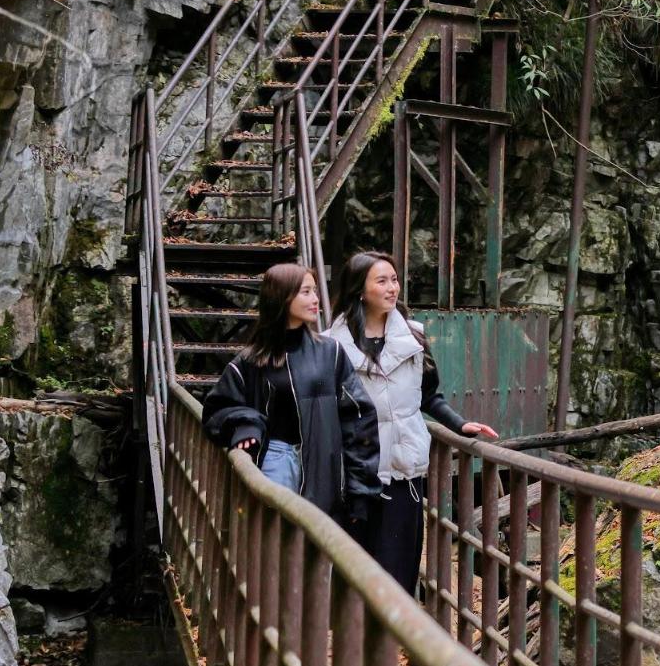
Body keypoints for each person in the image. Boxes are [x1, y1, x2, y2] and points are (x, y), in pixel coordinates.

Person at [324, 251, 498, 593]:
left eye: (394, 279)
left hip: (404, 472)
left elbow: (430, 396)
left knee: (398, 568)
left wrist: (459, 424)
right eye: (382, 281)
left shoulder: (414, 339)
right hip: (356, 472)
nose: (393, 288)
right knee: (353, 568)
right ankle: (352, 641)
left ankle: (389, 644)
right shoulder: (331, 347)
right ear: (360, 290)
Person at [201, 263, 383, 522]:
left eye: (315, 291)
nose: (316, 299)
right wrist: (246, 425)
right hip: (274, 460)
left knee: (315, 552)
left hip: (322, 464)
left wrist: (361, 491)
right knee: (276, 546)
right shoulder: (250, 361)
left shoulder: (330, 353)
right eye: (306, 292)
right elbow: (216, 410)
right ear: (281, 298)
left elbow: (360, 419)